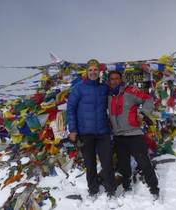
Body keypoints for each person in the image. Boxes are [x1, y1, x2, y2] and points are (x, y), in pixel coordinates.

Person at [107, 70, 160, 200]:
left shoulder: (130, 91)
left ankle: (154, 189)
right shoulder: (107, 95)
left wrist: (143, 114)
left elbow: (148, 99)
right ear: (109, 81)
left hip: (134, 134)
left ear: (121, 80)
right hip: (119, 136)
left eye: (117, 78)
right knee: (124, 165)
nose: (114, 81)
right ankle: (127, 187)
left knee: (144, 162)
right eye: (112, 79)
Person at [67, 59, 116, 198]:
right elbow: (70, 109)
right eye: (90, 70)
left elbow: (117, 94)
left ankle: (111, 190)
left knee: (107, 162)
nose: (93, 72)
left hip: (103, 133)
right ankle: (93, 190)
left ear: (99, 72)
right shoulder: (79, 88)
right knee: (90, 164)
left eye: (95, 70)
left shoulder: (104, 88)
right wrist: (73, 130)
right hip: (85, 133)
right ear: (86, 72)